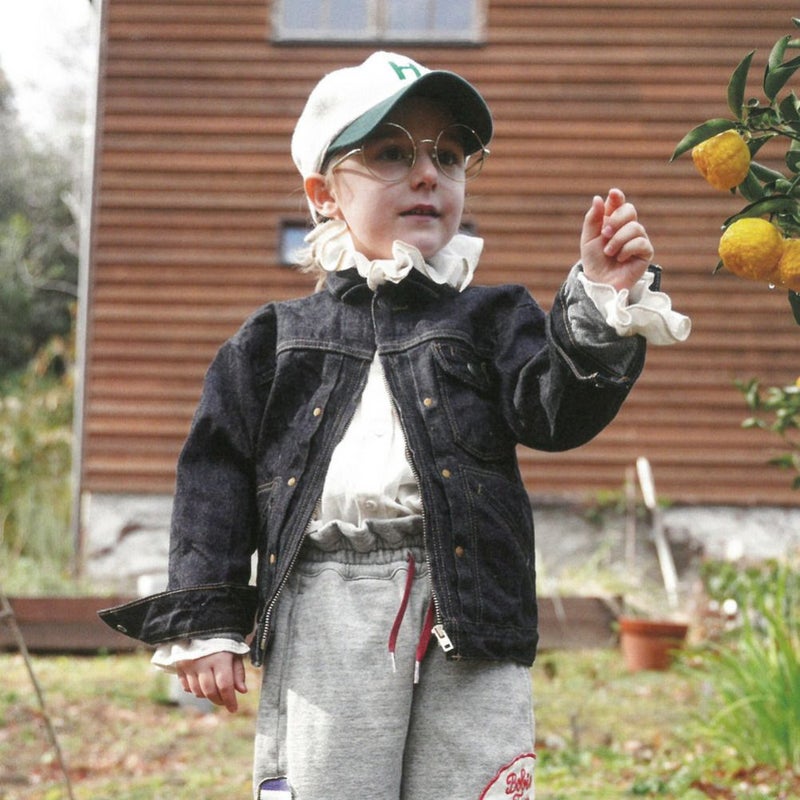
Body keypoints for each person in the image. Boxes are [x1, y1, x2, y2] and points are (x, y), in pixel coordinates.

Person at [100, 51, 690, 799]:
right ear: (323, 193)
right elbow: (216, 476)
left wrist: (600, 304)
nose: (427, 175)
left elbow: (555, 412)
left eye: (449, 156)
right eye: (390, 153)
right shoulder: (273, 341)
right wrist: (209, 615)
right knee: (330, 784)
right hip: (327, 601)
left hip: (470, 602)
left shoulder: (493, 317)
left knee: (472, 781)